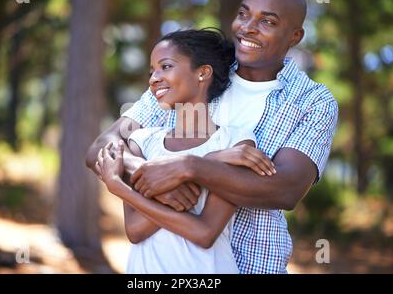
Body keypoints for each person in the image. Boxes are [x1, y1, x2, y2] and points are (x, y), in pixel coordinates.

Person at [87, 0, 338, 274]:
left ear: (295, 36)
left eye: (267, 21)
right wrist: (149, 173)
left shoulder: (313, 101)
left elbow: (285, 189)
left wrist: (187, 168)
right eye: (244, 14)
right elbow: (99, 149)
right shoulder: (197, 72)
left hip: (256, 266)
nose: (248, 27)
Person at [96, 29, 275, 273]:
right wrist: (211, 163)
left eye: (165, 66)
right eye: (152, 72)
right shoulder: (141, 141)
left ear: (203, 72)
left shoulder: (235, 141)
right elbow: (136, 230)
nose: (153, 79)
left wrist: (120, 188)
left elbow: (204, 232)